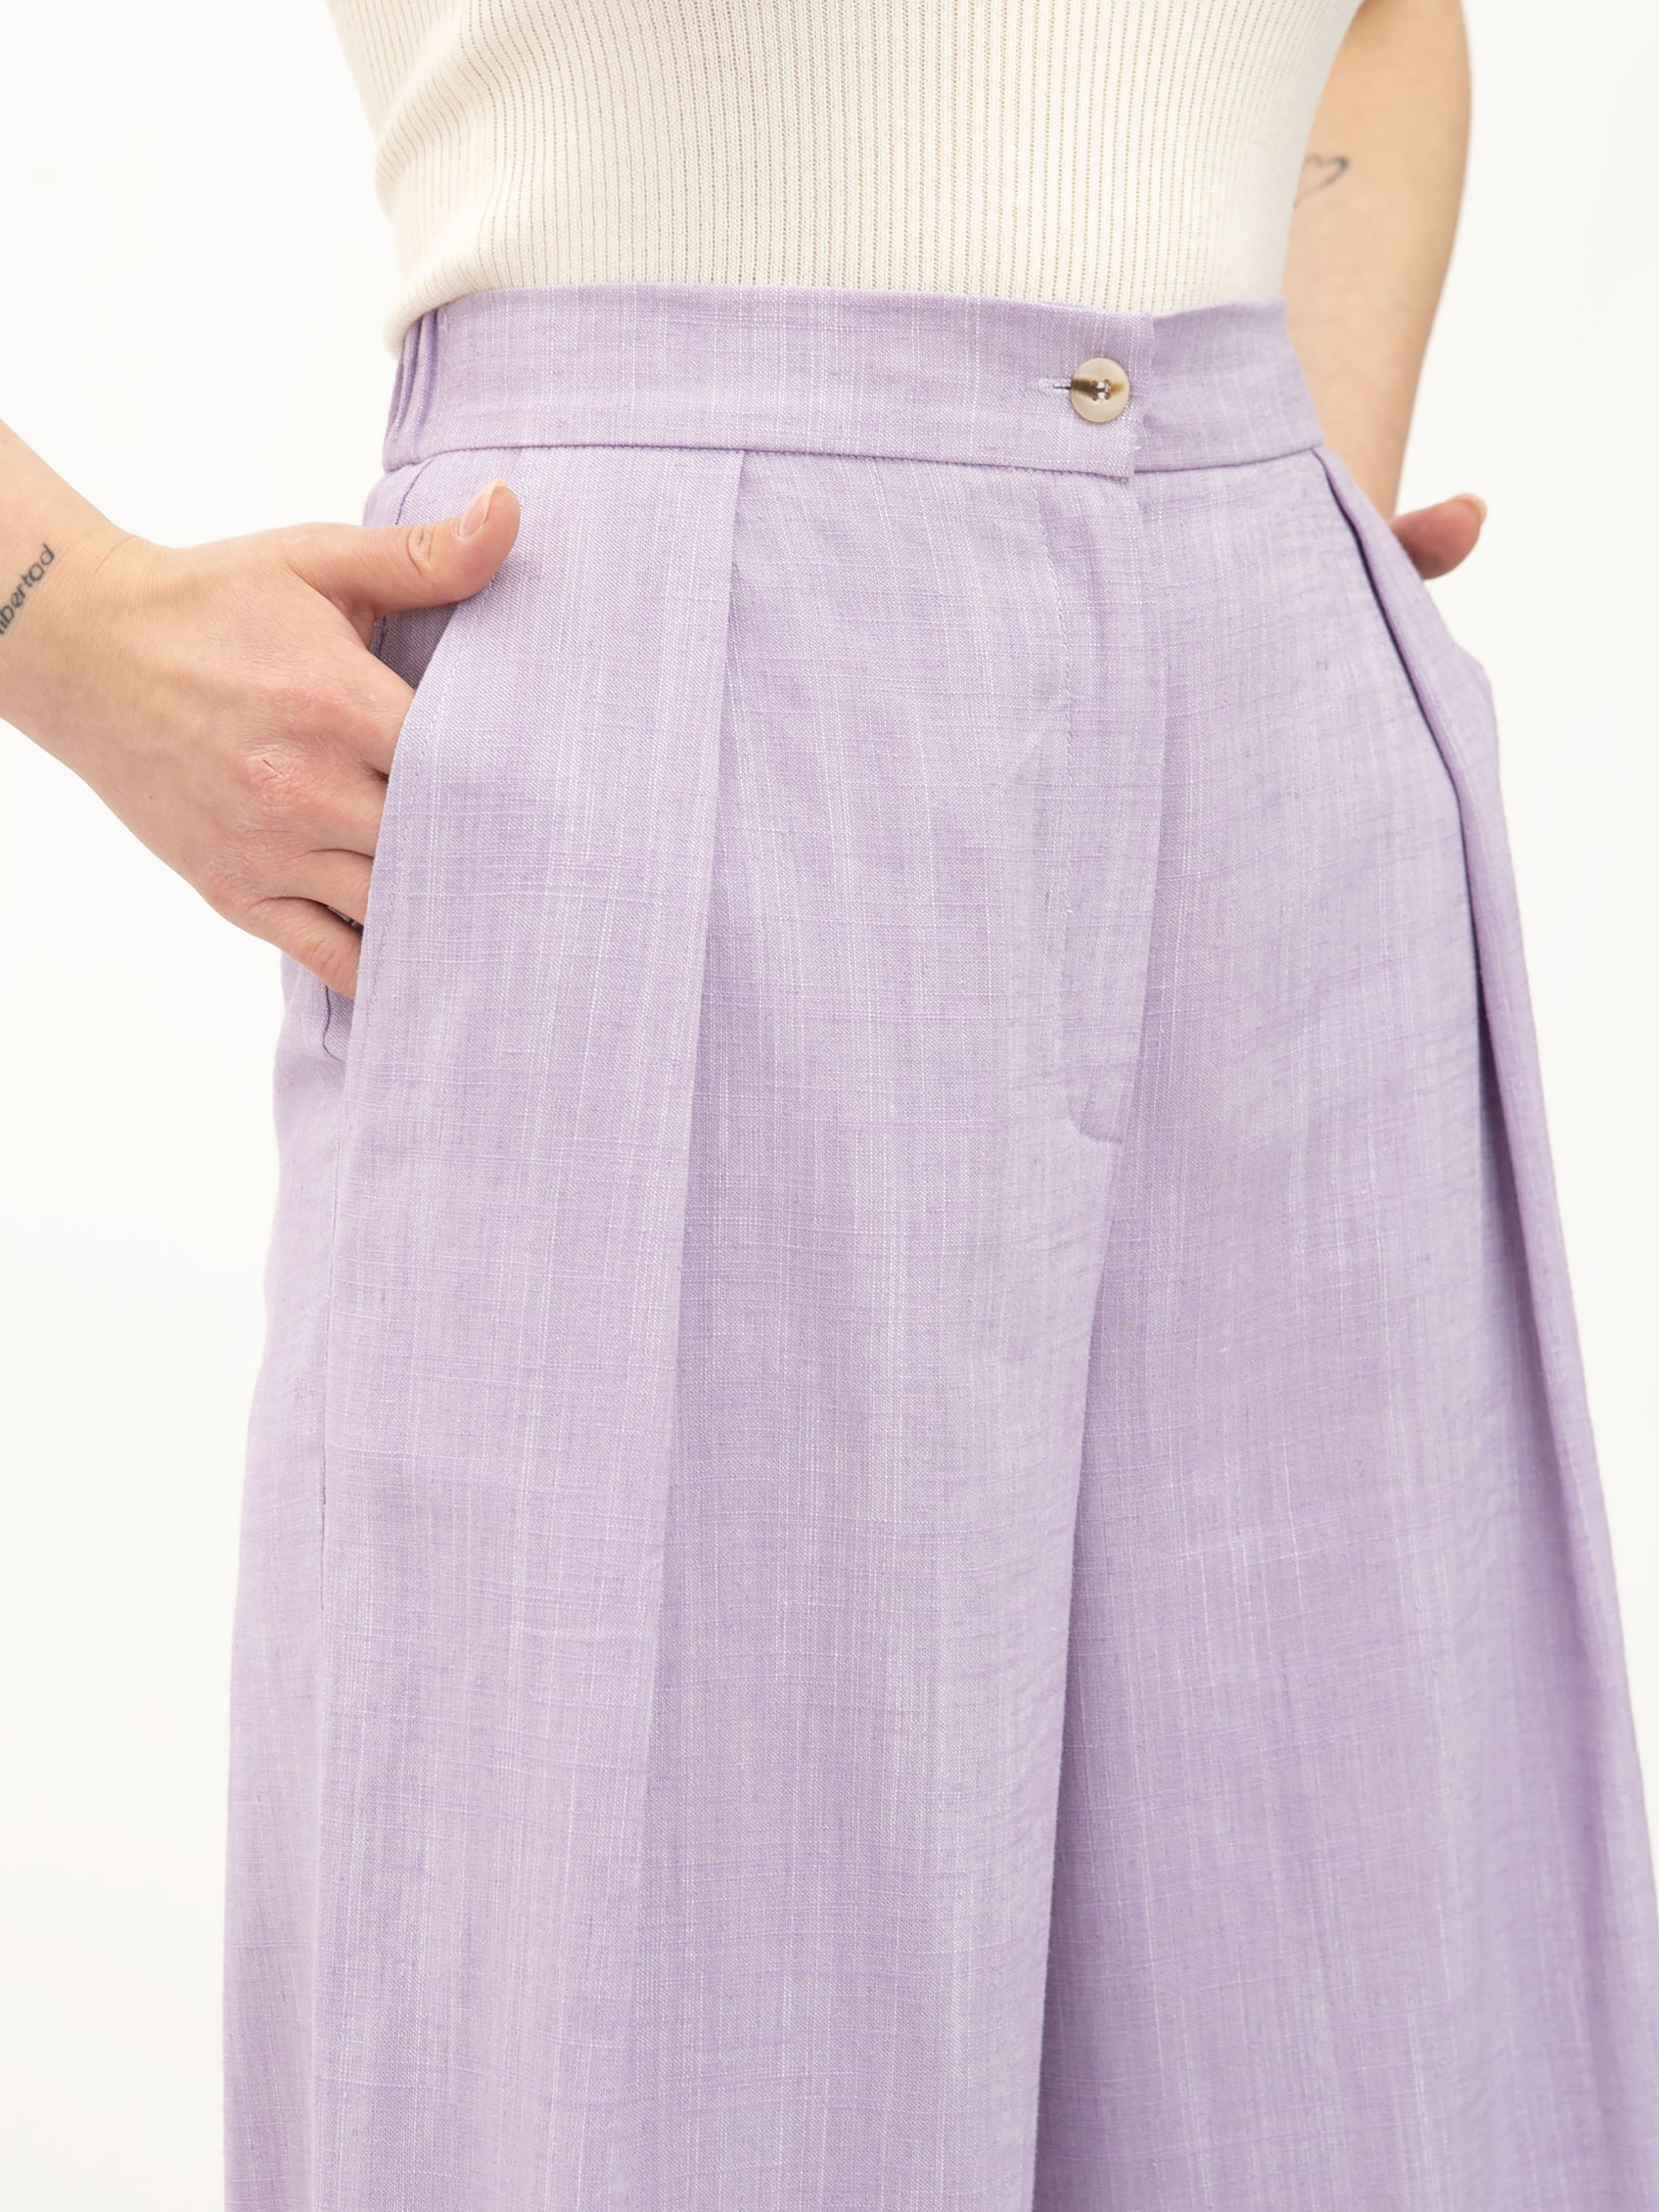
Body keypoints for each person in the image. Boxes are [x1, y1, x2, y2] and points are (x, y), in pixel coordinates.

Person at [4, 2, 1657, 2205]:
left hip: (1284, 751)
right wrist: (62, 618)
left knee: (1369, 2033)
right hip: (646, 697)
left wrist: (1301, 470)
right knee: (634, 2071)